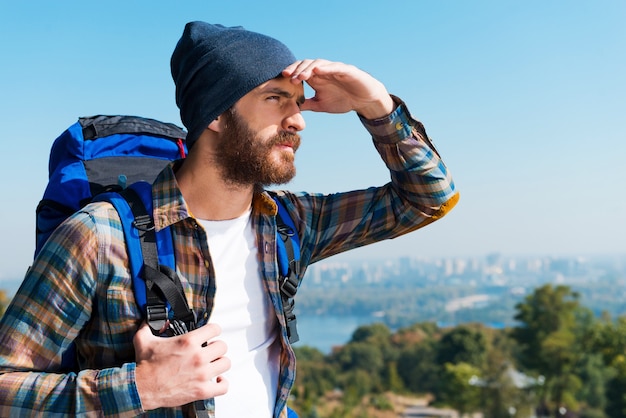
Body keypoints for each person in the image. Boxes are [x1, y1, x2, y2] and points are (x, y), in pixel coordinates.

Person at [0, 21, 458, 417]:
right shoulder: (99, 237)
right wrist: (143, 388)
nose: (298, 120)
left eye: (297, 102)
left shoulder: (288, 223)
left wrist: (375, 105)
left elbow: (427, 198)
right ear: (217, 113)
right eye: (276, 98)